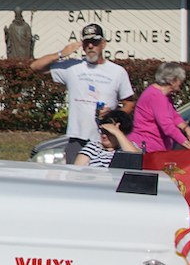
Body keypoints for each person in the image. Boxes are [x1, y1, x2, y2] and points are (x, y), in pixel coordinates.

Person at [30, 24, 135, 164]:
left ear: (103, 44)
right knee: (75, 180)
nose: (91, 46)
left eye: (95, 42)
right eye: (87, 43)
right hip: (77, 138)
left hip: (107, 139)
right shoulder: (73, 67)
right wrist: (61, 54)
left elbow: (130, 104)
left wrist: (113, 114)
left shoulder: (118, 72)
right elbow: (35, 67)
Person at [130, 62, 190, 153]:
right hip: (145, 148)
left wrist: (186, 128)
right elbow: (168, 127)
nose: (181, 83)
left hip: (157, 149)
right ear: (171, 81)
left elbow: (174, 115)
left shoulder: (165, 95)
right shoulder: (156, 96)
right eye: (180, 80)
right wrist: (189, 146)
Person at [73, 107, 141, 168]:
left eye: (109, 132)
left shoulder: (128, 147)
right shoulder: (93, 147)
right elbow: (78, 170)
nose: (104, 135)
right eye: (103, 131)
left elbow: (136, 159)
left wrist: (117, 133)